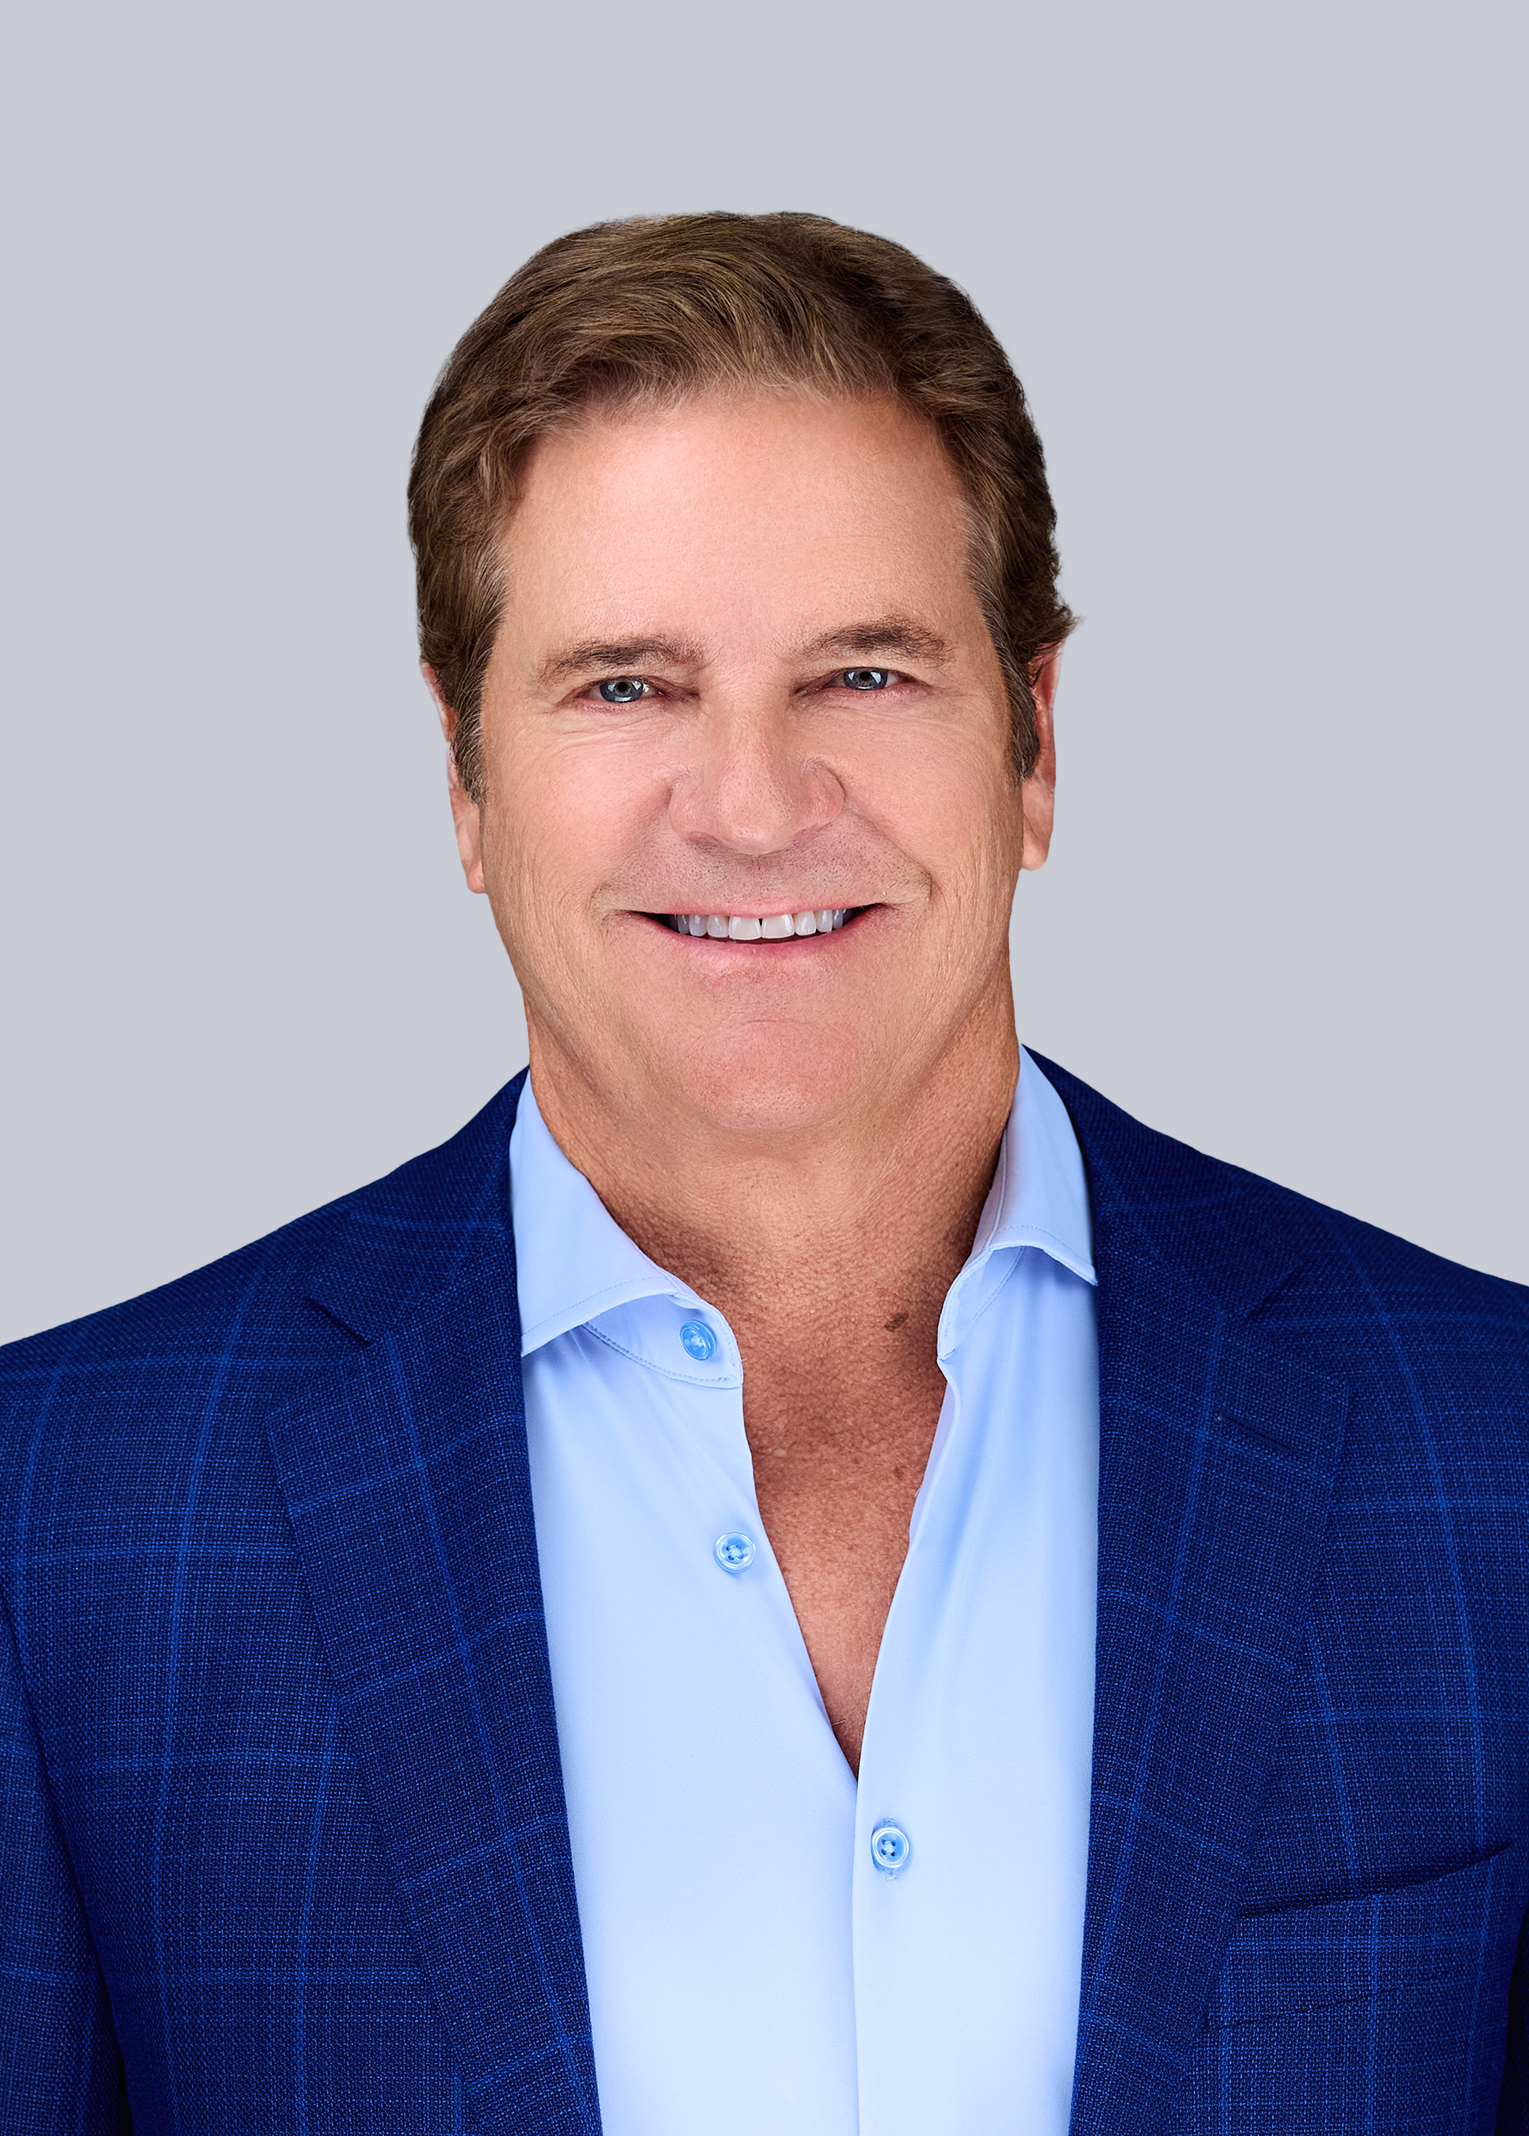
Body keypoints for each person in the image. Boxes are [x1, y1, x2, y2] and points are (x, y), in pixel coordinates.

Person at [1, 211, 1525, 2136]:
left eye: (863, 674)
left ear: (1033, 746)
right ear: (465, 778)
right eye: (625, 685)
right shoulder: (60, 1519)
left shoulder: (1492, 1448)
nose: (748, 805)